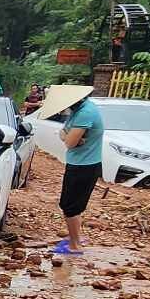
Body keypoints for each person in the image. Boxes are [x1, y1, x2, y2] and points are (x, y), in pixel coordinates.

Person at [36, 83, 103, 258]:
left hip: (83, 166)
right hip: (80, 163)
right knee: (75, 205)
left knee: (70, 206)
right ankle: (75, 237)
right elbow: (63, 133)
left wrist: (70, 137)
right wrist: (70, 136)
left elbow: (69, 142)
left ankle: (75, 245)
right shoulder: (80, 109)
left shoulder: (85, 112)